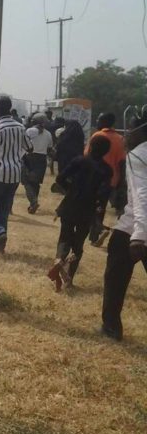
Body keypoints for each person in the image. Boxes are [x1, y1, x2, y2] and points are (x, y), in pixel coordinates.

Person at [100, 113, 147, 341]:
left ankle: (111, 328)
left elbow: (141, 195)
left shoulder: (138, 155)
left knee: (115, 280)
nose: (127, 134)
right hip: (137, 227)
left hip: (134, 230)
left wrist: (139, 234)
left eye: (130, 129)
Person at [47, 136, 112, 291]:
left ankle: (59, 259)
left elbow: (60, 178)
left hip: (70, 204)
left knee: (65, 236)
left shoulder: (79, 160)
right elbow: (103, 193)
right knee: (78, 243)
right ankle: (69, 278)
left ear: (90, 146)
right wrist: (98, 208)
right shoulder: (107, 170)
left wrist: (70, 189)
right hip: (88, 209)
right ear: (106, 151)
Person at [0, 96, 32, 253]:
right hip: (15, 173)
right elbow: (30, 147)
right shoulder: (20, 127)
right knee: (3, 210)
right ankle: (1, 247)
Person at [22, 117, 53, 213]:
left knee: (26, 181)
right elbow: (49, 148)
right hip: (42, 159)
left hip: (30, 158)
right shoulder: (48, 133)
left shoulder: (29, 131)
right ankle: (33, 203)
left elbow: (24, 144)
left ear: (34, 122)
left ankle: (33, 202)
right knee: (36, 182)